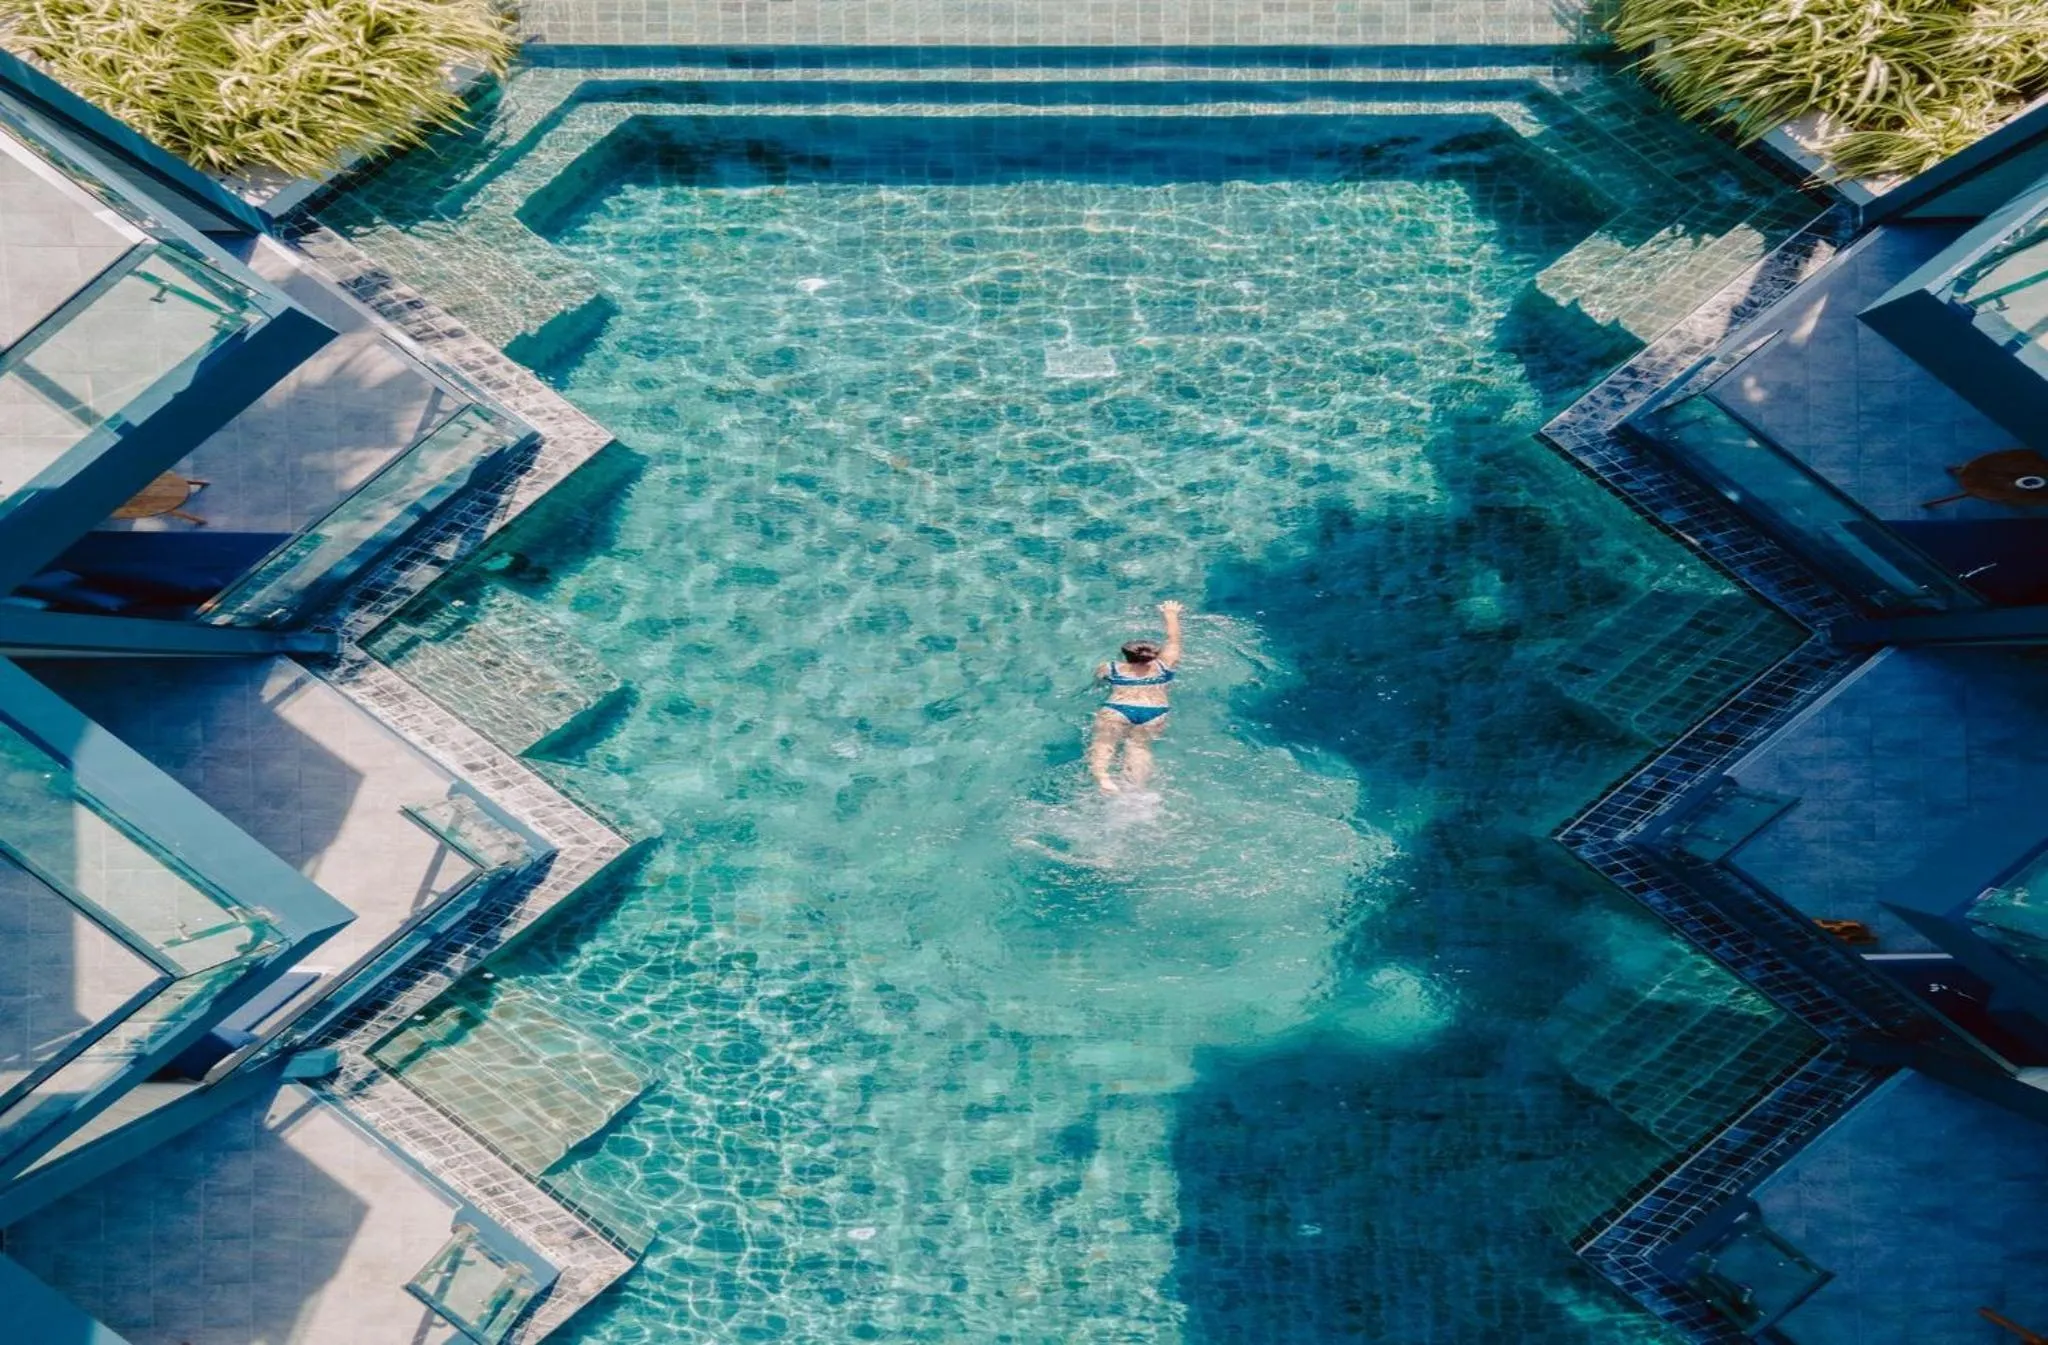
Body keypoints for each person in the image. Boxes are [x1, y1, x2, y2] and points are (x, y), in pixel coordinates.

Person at [1087, 600, 1185, 794]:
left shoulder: (1110, 667)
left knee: (1104, 743)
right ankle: (1134, 789)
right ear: (1154, 655)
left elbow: (1098, 682)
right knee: (1139, 747)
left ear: (1126, 655)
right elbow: (1173, 639)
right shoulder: (1165, 665)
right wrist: (1170, 614)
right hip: (1154, 712)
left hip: (1118, 708)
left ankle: (1104, 779)